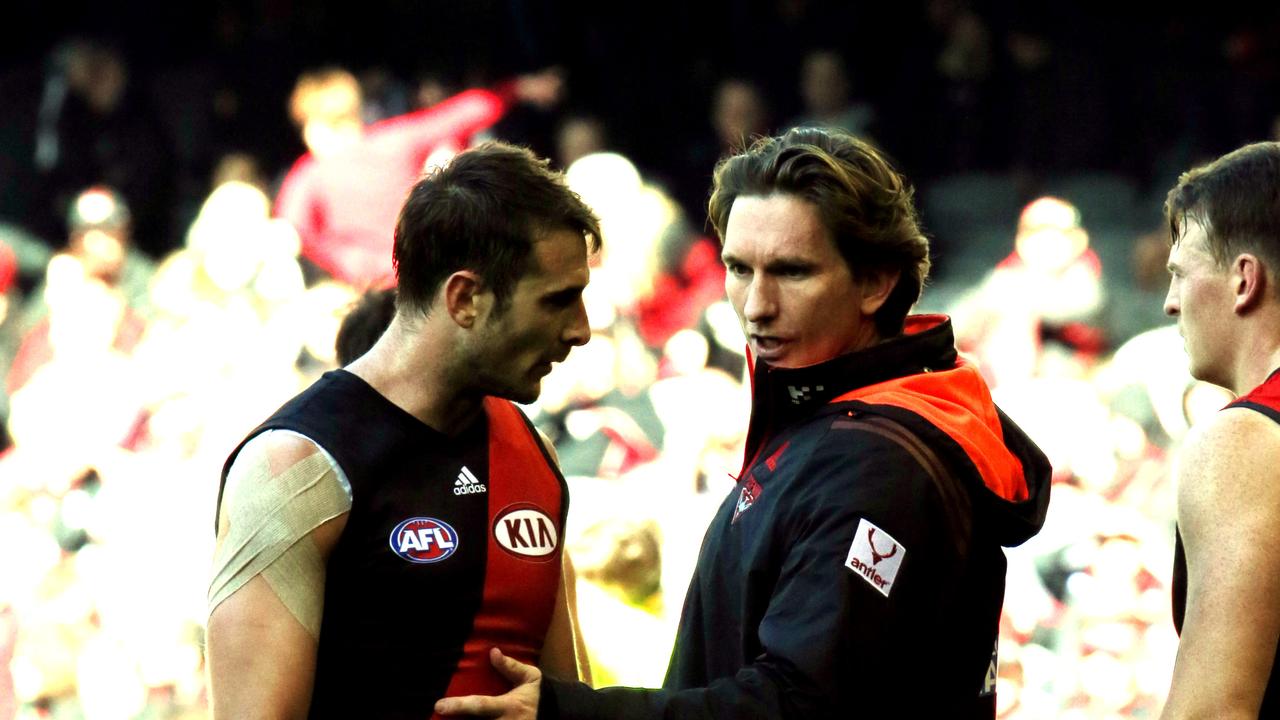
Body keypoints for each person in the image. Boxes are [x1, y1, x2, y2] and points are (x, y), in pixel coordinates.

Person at [436, 127, 1052, 718]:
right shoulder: (839, 414)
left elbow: (795, 706)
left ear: (875, 282)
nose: (755, 307)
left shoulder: (878, 462)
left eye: (791, 271)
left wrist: (569, 714)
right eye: (738, 269)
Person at [206, 141, 601, 719]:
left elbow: (572, 703)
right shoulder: (295, 467)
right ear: (465, 298)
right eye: (558, 300)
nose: (581, 330)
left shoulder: (531, 453)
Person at [1159, 141, 1280, 719]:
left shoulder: (1245, 441)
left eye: (1180, 274)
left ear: (1243, 280)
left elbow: (1209, 713)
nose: (1169, 303)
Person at [275, 66, 563, 288]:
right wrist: (518, 88)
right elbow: (467, 111)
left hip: (382, 285)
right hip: (424, 275)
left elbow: (292, 229)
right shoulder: (396, 139)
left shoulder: (309, 173)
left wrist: (348, 262)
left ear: (311, 122)